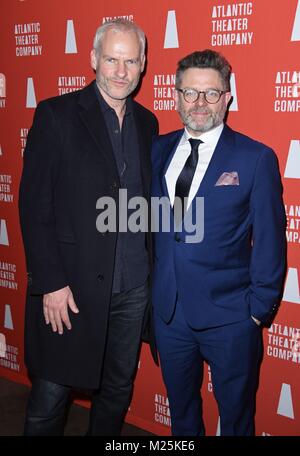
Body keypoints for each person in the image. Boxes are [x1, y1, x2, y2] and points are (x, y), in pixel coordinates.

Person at [19, 18, 158, 436]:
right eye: (112, 59)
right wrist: (51, 282)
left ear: (143, 64)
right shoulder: (56, 115)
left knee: (117, 389)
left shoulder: (148, 124)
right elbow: (34, 205)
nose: (120, 71)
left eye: (130, 61)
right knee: (50, 394)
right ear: (94, 59)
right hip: (71, 288)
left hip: (133, 288)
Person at [151, 49, 286, 436]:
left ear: (227, 97)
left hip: (231, 318)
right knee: (182, 416)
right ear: (176, 96)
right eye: (190, 93)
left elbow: (270, 242)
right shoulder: (157, 150)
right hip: (170, 316)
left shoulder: (255, 158)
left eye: (211, 94)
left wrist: (257, 312)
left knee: (236, 420)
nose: (199, 103)